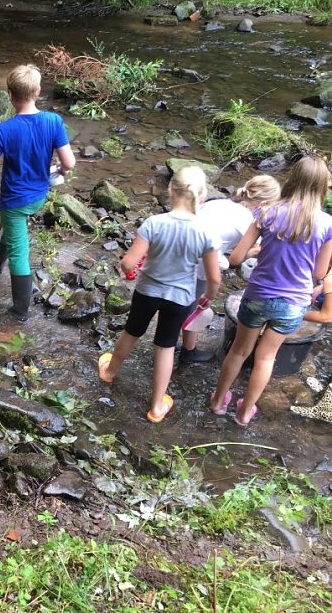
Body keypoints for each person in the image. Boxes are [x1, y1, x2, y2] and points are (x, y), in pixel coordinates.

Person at [210, 155, 332, 426]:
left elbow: (236, 258)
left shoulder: (267, 212)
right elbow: (319, 273)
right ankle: (244, 413)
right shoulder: (326, 224)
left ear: (293, 178)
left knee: (239, 351)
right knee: (266, 357)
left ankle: (218, 402)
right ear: (322, 186)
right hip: (294, 303)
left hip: (258, 295)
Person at [98, 166, 221, 423]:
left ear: (170, 190)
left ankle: (110, 372)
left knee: (132, 331)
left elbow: (128, 263)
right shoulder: (206, 231)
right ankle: (156, 406)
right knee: (165, 347)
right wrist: (208, 295)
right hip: (180, 297)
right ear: (201, 196)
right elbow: (214, 276)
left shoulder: (154, 223)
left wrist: (130, 271)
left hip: (147, 291)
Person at [0, 63, 75, 322]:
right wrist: (62, 171)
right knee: (13, 229)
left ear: (10, 95)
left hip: (14, 201)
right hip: (37, 196)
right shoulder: (53, 121)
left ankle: (20, 311)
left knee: (19, 252)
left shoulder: (5, 130)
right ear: (38, 90)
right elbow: (69, 163)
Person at [180, 175, 281, 363]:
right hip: (198, 263)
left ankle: (187, 348)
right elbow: (251, 252)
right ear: (264, 202)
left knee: (189, 304)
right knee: (194, 306)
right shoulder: (248, 219)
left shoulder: (221, 203)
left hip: (179, 251)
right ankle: (180, 352)